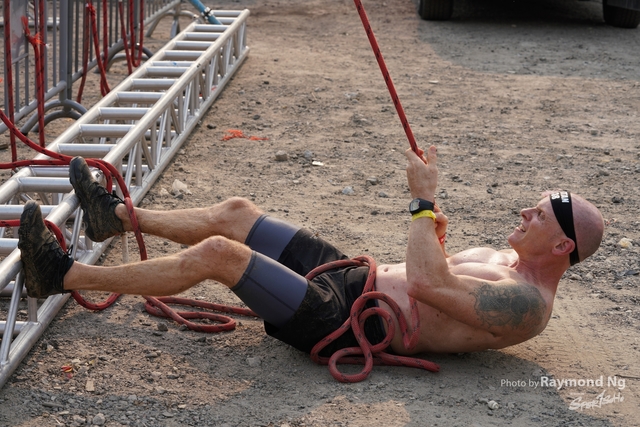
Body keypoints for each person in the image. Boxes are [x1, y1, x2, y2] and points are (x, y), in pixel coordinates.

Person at [18, 146, 604, 356]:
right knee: (237, 214)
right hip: (352, 277)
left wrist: (423, 206)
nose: (524, 213)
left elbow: (427, 286)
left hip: (345, 321)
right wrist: (435, 235)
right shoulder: (504, 259)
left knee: (221, 253)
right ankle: (116, 217)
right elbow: (437, 274)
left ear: (560, 245)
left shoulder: (526, 306)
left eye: (539, 216)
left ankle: (62, 275)